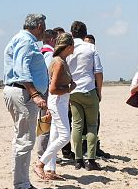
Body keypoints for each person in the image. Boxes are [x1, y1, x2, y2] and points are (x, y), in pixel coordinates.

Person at [1, 13, 49, 189]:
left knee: (22, 139)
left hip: (21, 92)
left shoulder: (23, 39)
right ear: (39, 26)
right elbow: (22, 70)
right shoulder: (25, 41)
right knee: (25, 141)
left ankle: (23, 182)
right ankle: (22, 187)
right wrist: (35, 94)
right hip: (23, 93)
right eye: (44, 27)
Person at [65, 21, 105, 170]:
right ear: (85, 33)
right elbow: (98, 72)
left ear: (72, 33)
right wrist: (99, 91)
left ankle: (78, 160)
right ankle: (91, 160)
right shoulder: (91, 48)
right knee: (92, 125)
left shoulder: (68, 48)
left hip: (73, 91)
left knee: (77, 125)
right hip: (88, 88)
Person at [37, 32, 77, 180]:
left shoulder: (60, 60)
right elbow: (53, 89)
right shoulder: (59, 62)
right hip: (58, 101)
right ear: (68, 46)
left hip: (60, 101)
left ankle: (50, 169)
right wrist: (69, 88)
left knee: (54, 136)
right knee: (65, 136)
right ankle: (40, 163)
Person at [34, 28, 58, 165]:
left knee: (43, 122)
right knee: (46, 123)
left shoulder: (40, 52)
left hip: (38, 91)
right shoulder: (49, 54)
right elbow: (51, 76)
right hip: (46, 93)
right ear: (52, 40)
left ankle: (43, 153)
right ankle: (43, 154)